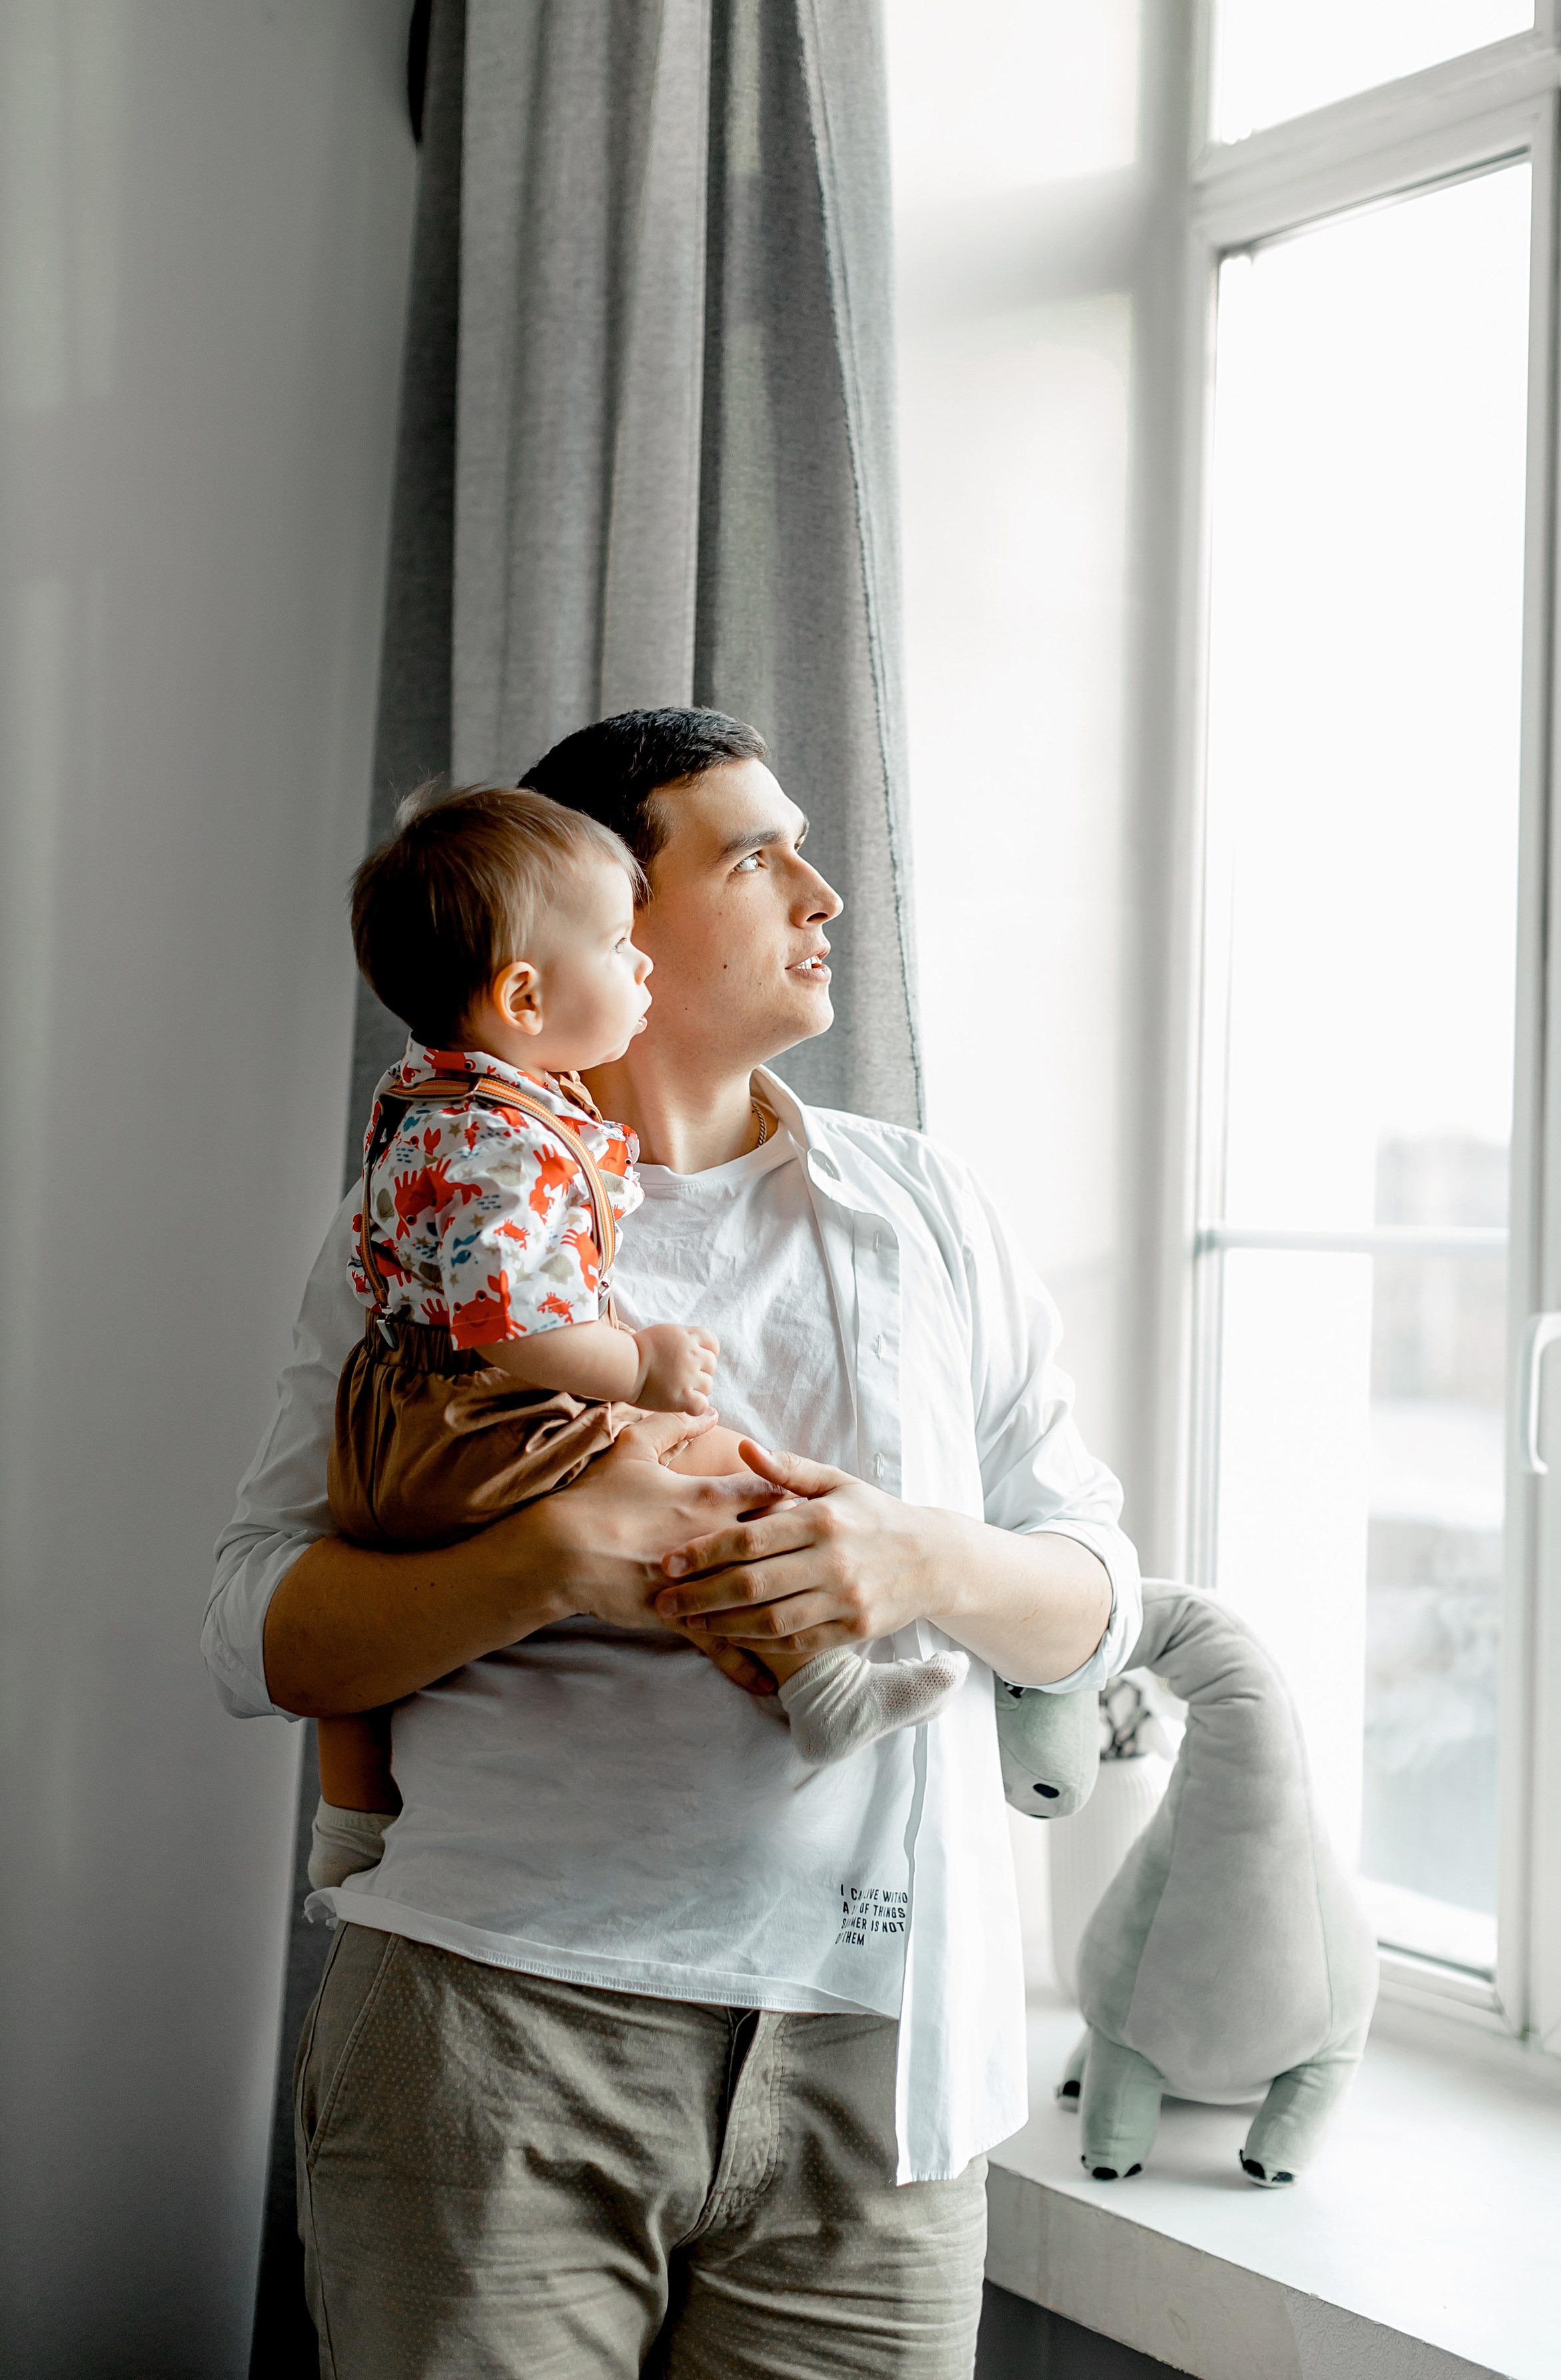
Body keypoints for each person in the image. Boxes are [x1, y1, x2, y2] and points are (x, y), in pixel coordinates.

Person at [204, 707, 1141, 2379]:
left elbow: (1088, 1602)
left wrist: (915, 1563)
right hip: (497, 2039)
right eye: (759, 854)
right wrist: (561, 1560)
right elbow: (256, 1621)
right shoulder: (438, 1220)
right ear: (607, 924)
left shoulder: (923, 1210)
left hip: (876, 2071)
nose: (825, 892)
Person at [313, 780, 969, 1880]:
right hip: (477, 1420)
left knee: (373, 1605)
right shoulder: (503, 1143)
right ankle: (826, 1682)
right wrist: (640, 1363)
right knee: (709, 1464)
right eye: (622, 945)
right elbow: (508, 1319)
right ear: (525, 995)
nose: (643, 970)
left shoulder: (427, 1106)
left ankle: (350, 1831)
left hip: (387, 1433)